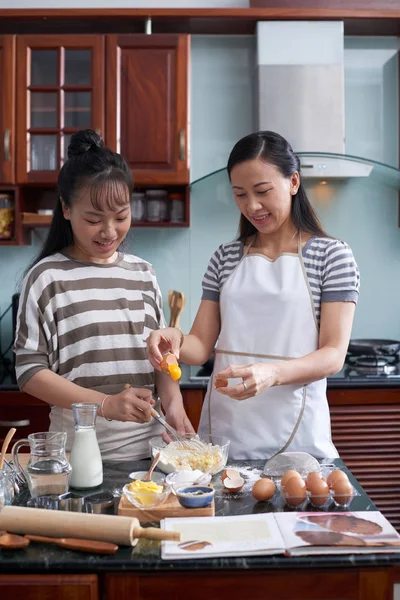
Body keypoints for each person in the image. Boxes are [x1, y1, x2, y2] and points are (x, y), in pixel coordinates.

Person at [147, 130, 360, 460]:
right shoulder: (225, 257)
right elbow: (202, 344)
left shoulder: (332, 256)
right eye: (240, 195)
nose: (252, 206)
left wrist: (272, 373)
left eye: (262, 191)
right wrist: (173, 337)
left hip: (299, 435)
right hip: (226, 431)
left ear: (293, 182)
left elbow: (333, 354)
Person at [14, 129, 194, 460]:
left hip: (152, 456)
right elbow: (28, 372)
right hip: (79, 456)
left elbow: (161, 358)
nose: (110, 231)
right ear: (66, 209)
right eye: (94, 219)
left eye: (121, 217)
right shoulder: (46, 277)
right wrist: (106, 405)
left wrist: (173, 402)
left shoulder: (143, 273)